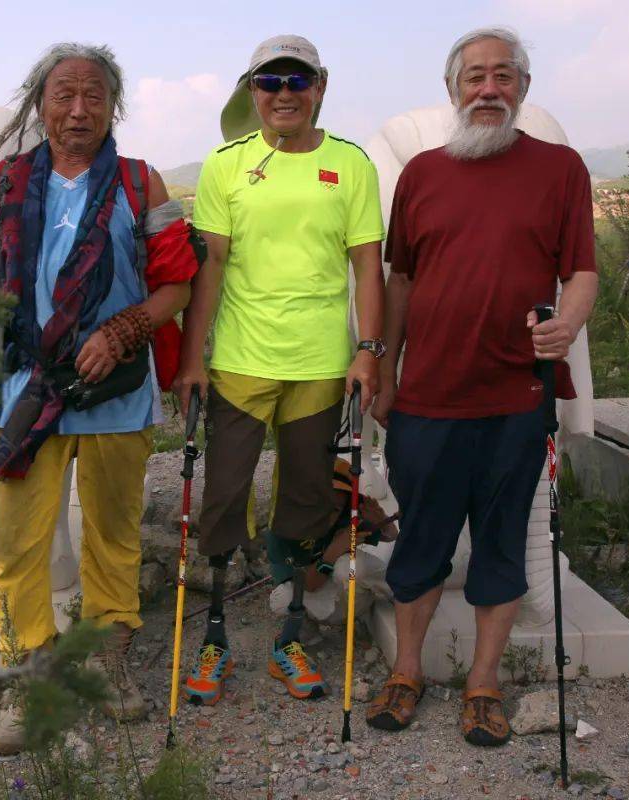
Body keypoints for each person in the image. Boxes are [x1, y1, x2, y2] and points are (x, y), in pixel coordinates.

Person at [0, 42, 198, 754]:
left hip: (116, 394)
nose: (78, 109)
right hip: (26, 393)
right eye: (63, 95)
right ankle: (30, 676)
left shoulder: (143, 185)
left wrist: (123, 328)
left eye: (93, 95)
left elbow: (177, 283)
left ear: (115, 106)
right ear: (40, 105)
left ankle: (109, 661)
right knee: (16, 545)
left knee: (110, 538)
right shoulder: (4, 184)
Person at [366, 26, 598, 746]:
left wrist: (569, 325)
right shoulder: (423, 174)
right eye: (475, 78)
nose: (489, 89)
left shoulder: (561, 169)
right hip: (427, 397)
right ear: (453, 91)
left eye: (504, 76)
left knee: (499, 546)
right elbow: (399, 278)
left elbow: (581, 271)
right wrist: (384, 368)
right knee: (422, 543)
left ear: (522, 89)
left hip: (516, 398)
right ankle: (406, 672)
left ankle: (483, 684)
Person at [173, 34, 386, 705]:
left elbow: (366, 268)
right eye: (271, 82)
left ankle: (288, 637)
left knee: (306, 499)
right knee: (222, 495)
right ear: (251, 92)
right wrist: (190, 358)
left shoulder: (351, 164)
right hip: (239, 359)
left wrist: (368, 350)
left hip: (321, 362)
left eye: (298, 80)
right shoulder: (226, 164)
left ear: (320, 87)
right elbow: (210, 266)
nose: (285, 93)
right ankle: (213, 638)